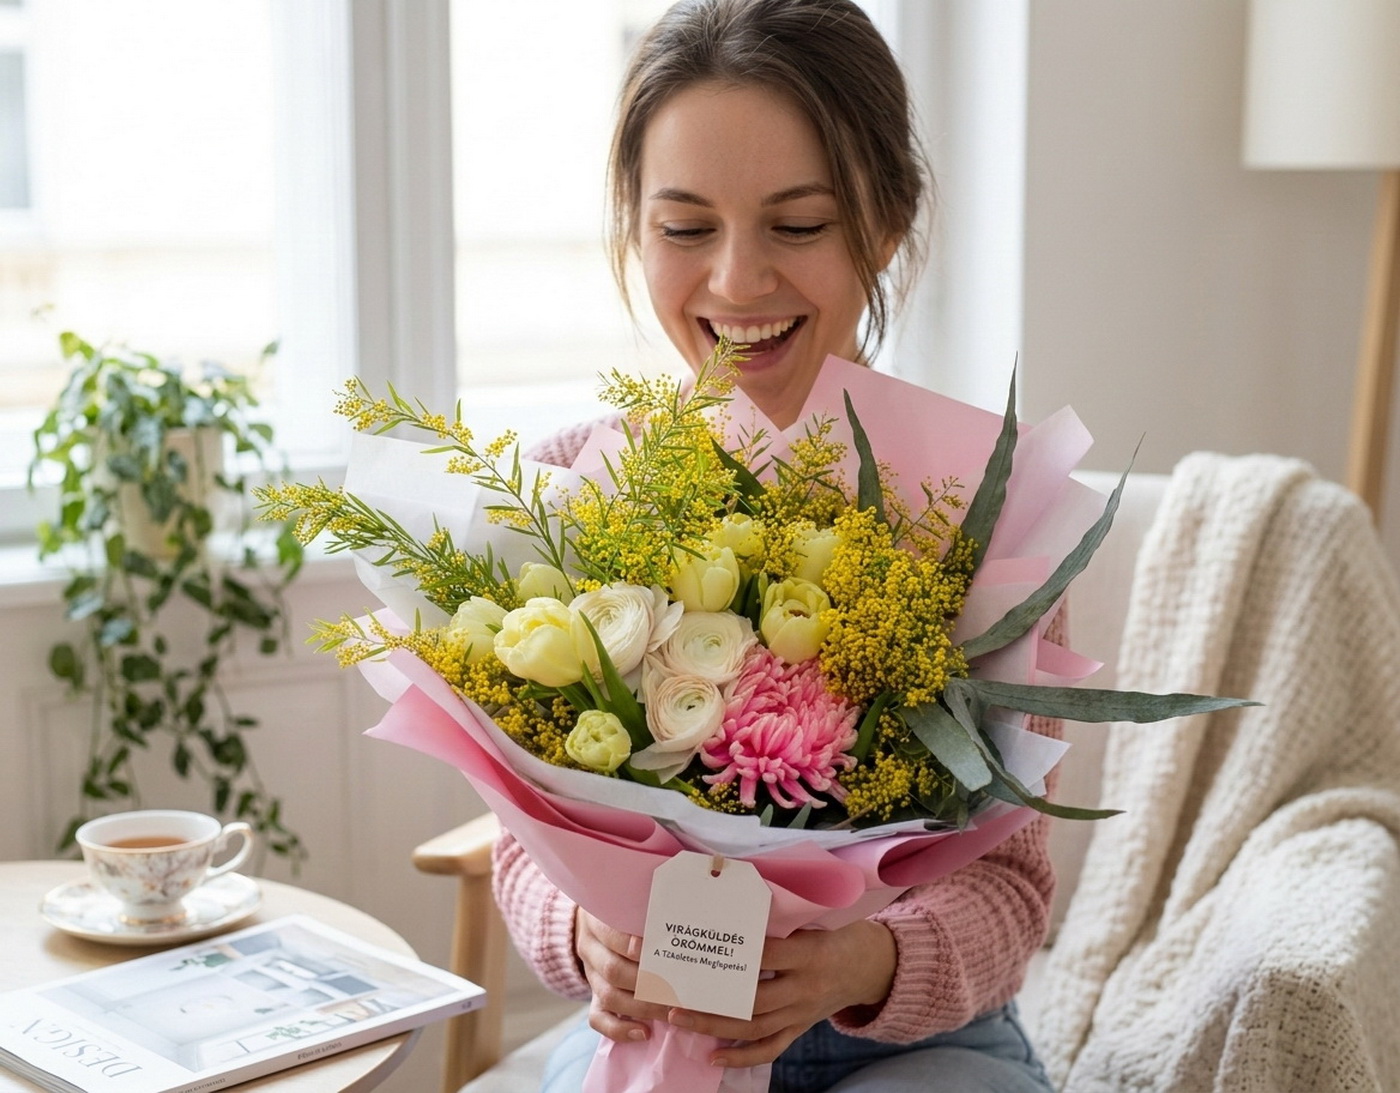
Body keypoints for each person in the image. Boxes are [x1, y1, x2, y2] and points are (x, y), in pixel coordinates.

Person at [495, 1, 1059, 1090]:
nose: (738, 282)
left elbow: (1012, 891)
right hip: (658, 1033)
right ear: (631, 225)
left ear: (885, 224)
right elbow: (521, 844)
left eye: (796, 226)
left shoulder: (981, 510)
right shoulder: (573, 490)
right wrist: (582, 935)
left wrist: (865, 958)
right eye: (685, 227)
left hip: (916, 1044)